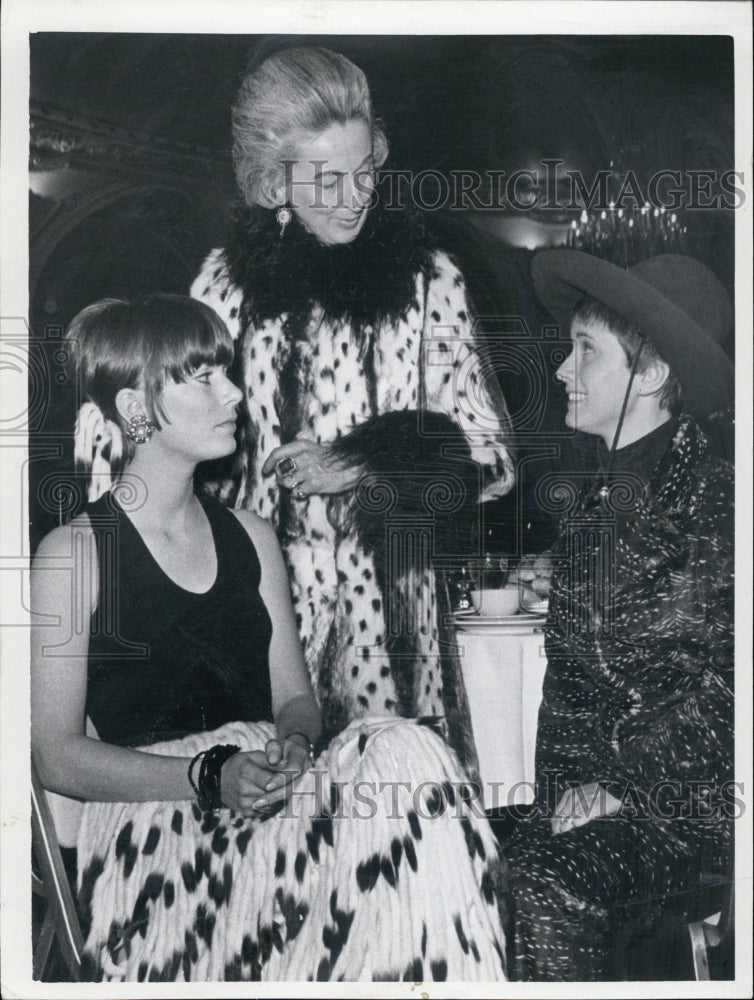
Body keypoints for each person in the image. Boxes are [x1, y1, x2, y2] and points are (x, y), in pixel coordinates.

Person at [30, 295, 508, 982]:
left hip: (272, 807)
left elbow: (295, 698)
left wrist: (292, 744)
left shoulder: (251, 537)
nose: (234, 393)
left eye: (226, 371)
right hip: (156, 833)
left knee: (405, 749)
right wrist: (207, 777)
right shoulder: (72, 555)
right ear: (135, 409)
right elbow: (55, 758)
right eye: (202, 377)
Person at [191, 46, 514, 764]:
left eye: (365, 171)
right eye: (328, 178)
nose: (355, 195)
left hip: (397, 644)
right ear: (275, 183)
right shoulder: (222, 290)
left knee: (398, 849)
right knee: (269, 857)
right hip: (260, 634)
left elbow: (492, 462)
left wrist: (366, 462)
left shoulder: (429, 281)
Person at [505, 251, 735, 981]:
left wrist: (623, 786)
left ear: (654, 373)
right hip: (599, 803)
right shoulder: (596, 501)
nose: (564, 372)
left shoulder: (718, 497)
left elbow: (732, 689)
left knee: (545, 881)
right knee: (448, 852)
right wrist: (558, 803)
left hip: (687, 809)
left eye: (586, 351)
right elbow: (570, 693)